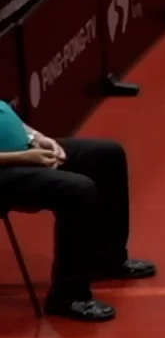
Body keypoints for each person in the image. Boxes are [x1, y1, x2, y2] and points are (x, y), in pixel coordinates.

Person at [0, 105, 156, 322]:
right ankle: (68, 295)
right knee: (77, 190)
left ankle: (105, 260)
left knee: (108, 155)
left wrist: (36, 137)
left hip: (26, 151)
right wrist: (24, 157)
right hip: (8, 165)